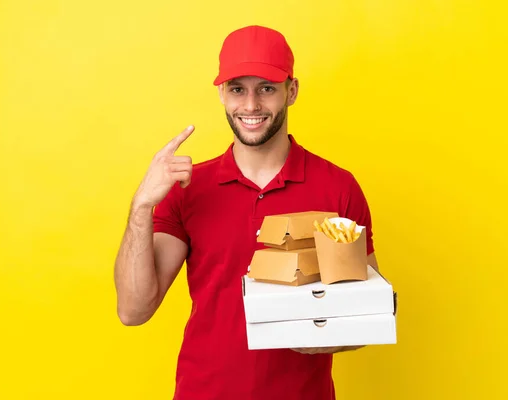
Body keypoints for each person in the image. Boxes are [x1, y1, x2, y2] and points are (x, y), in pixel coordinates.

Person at [114, 25, 379, 400]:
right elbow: (134, 310)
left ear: (293, 91)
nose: (251, 106)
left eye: (266, 88)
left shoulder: (337, 188)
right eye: (238, 89)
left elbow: (366, 316)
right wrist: (142, 205)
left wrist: (325, 337)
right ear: (222, 94)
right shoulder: (188, 190)